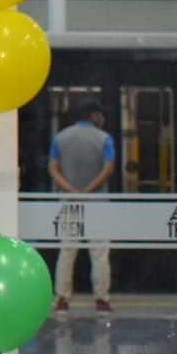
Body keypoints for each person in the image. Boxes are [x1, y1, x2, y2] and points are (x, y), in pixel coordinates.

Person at [49, 97, 117, 314]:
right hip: (97, 203)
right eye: (101, 114)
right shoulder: (105, 139)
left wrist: (71, 190)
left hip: (69, 202)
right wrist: (88, 192)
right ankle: (102, 299)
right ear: (93, 116)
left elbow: (53, 168)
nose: (103, 118)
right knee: (99, 252)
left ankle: (62, 299)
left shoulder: (60, 138)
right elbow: (108, 169)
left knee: (67, 250)